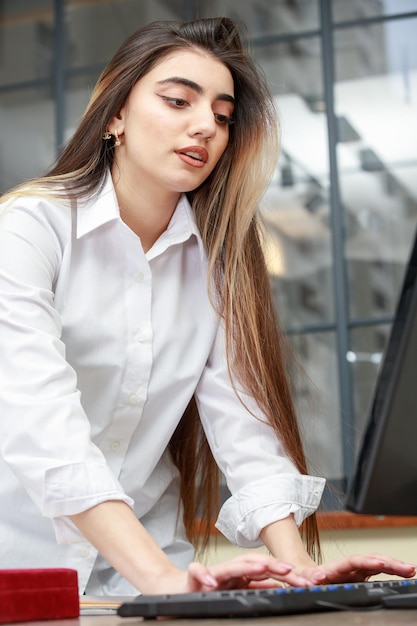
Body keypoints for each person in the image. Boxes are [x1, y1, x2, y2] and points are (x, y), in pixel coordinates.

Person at [0, 16, 414, 597]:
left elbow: (246, 431)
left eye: (221, 117)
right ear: (115, 112)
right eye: (177, 101)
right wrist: (163, 580)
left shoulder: (216, 263)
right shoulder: (27, 227)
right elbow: (43, 427)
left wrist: (302, 577)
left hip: (143, 573)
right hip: (20, 565)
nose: (205, 128)